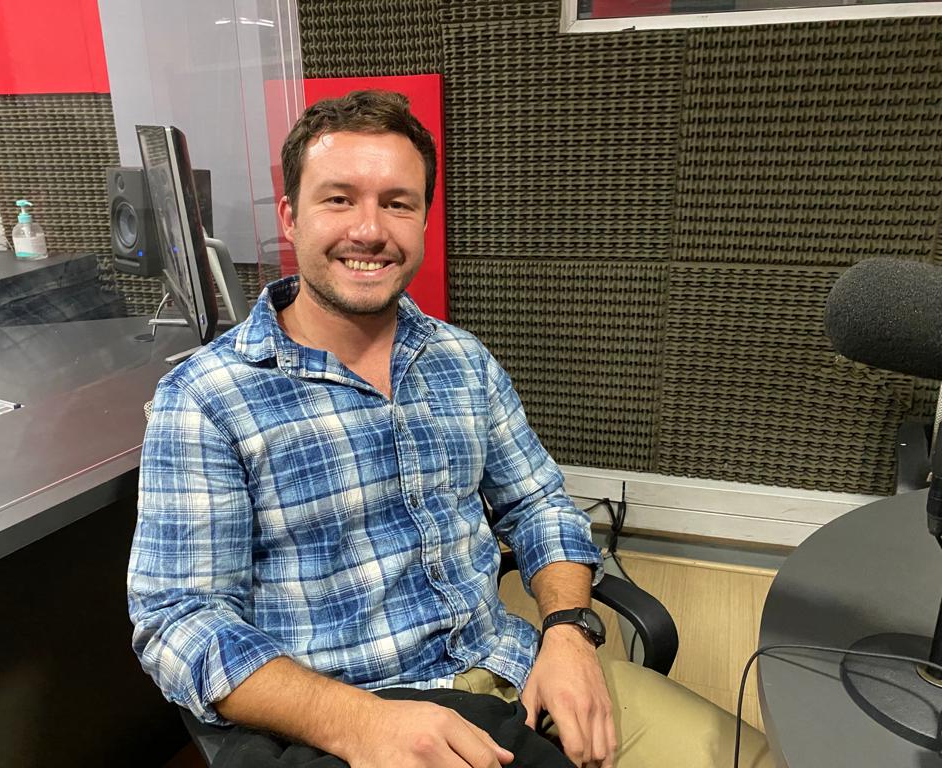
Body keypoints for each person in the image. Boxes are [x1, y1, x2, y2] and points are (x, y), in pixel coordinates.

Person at [128, 90, 772, 768]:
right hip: (355, 722)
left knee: (752, 759)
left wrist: (568, 632)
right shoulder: (206, 398)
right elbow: (179, 622)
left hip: (516, 675)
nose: (370, 230)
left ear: (424, 219)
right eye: (339, 199)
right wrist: (357, 722)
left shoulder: (461, 359)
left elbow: (540, 505)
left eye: (397, 203)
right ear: (290, 216)